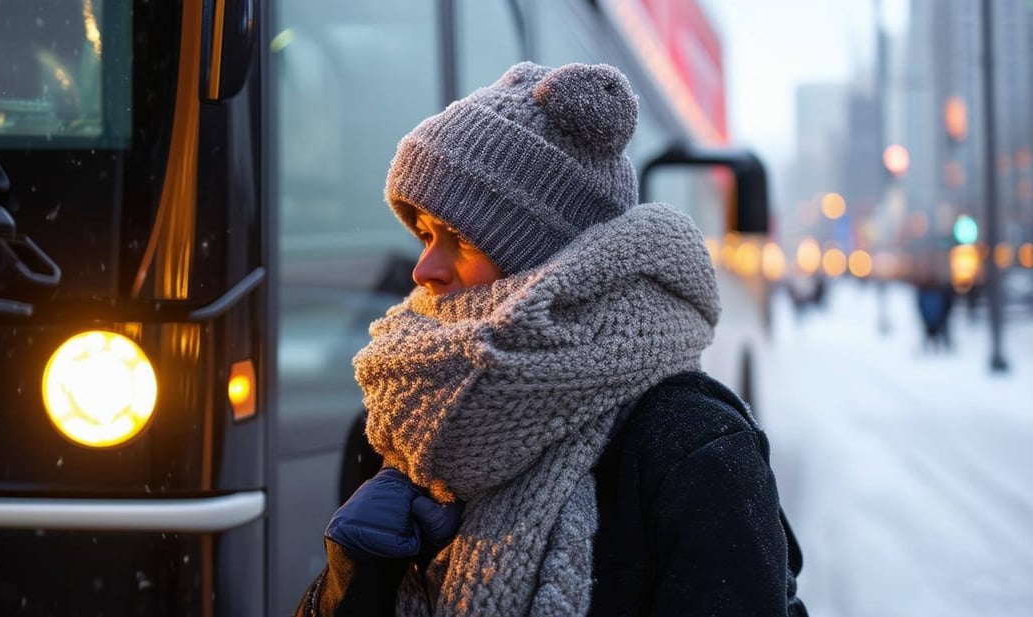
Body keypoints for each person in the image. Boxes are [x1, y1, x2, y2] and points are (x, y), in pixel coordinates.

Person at [295, 61, 806, 616]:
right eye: (423, 234)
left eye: (458, 238)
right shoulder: (403, 428)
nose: (423, 269)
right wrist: (354, 582)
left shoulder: (690, 446)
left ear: (549, 260)